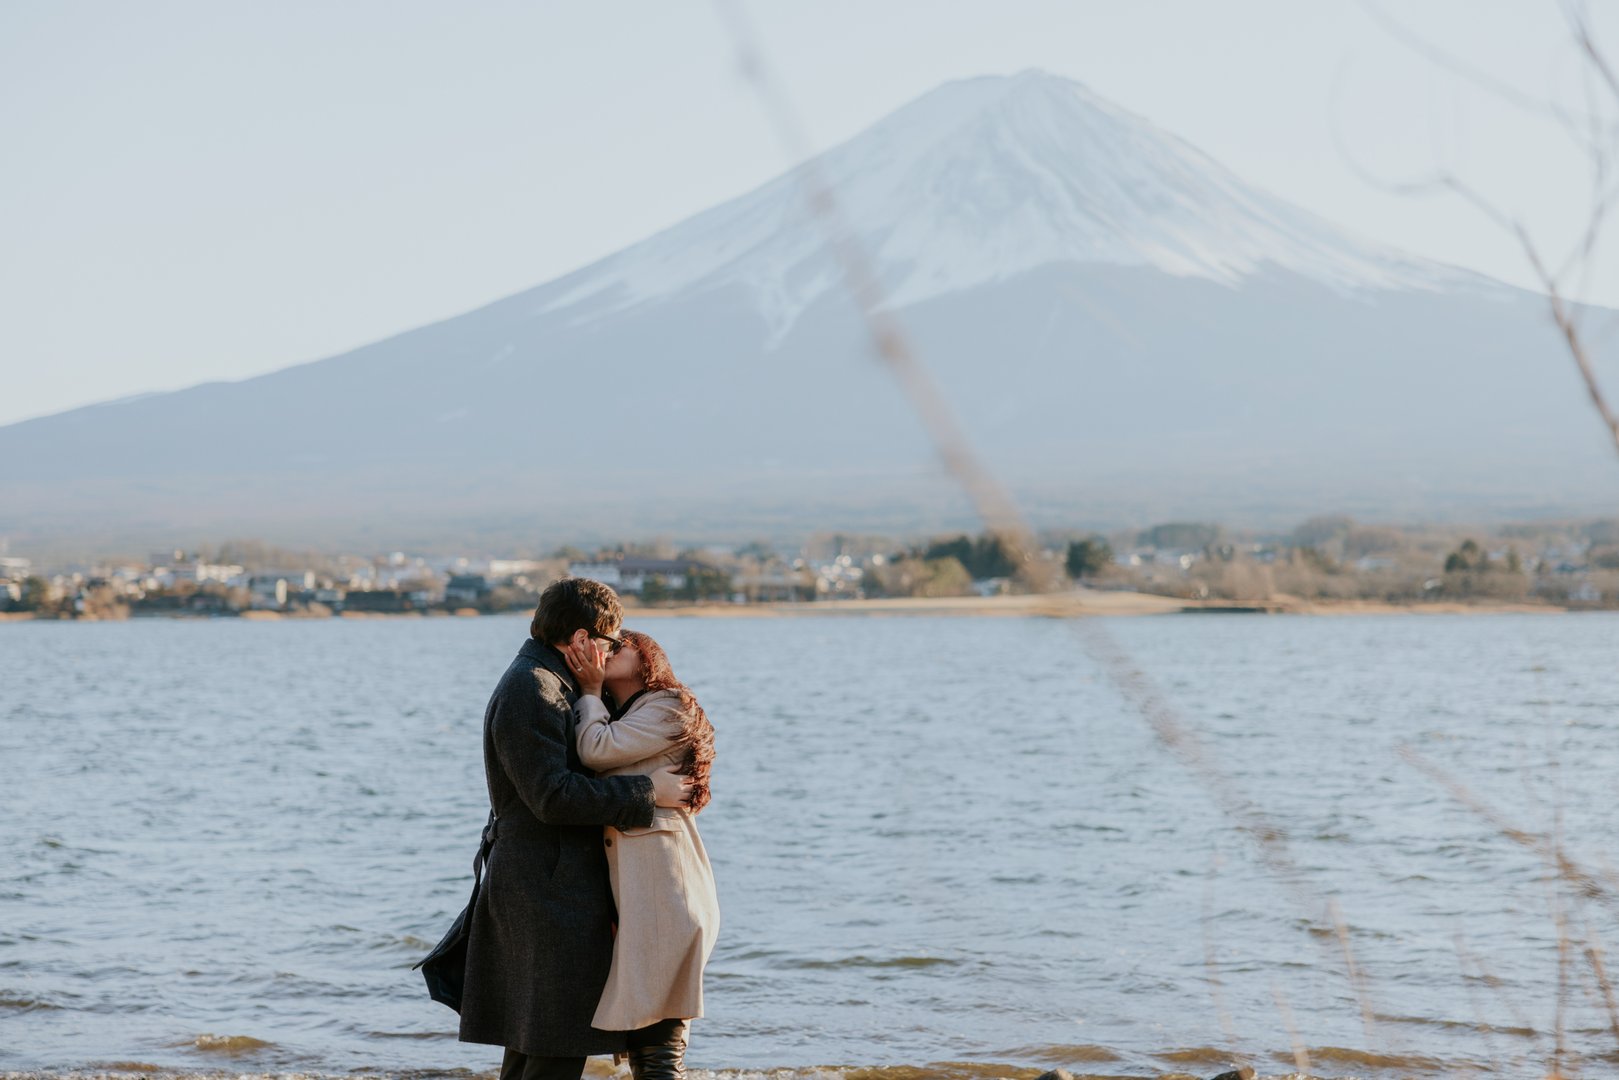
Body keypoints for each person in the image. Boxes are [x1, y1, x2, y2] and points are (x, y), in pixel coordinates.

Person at [458, 578, 693, 1080]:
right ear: (584, 638)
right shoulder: (533, 688)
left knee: (537, 1046)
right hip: (547, 889)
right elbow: (553, 796)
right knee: (553, 1048)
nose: (608, 658)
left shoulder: (545, 680)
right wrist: (650, 793)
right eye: (609, 643)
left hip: (549, 881)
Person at [562, 629, 719, 1080]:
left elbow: (595, 751)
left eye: (619, 645)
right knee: (648, 1052)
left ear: (649, 656)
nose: (606, 651)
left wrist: (590, 690)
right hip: (647, 892)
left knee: (658, 1055)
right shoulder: (625, 713)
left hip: (668, 892)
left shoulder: (669, 705)